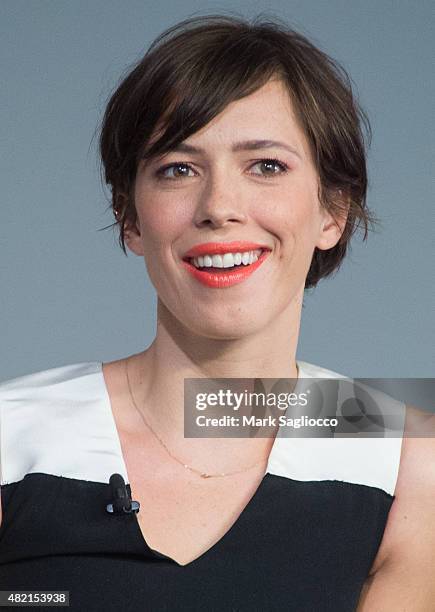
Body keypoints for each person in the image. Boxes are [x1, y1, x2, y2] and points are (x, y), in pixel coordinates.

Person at [0, 13, 434, 612]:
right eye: (178, 169)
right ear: (130, 216)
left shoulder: (408, 462)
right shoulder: (13, 437)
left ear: (333, 211)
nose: (219, 207)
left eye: (266, 166)